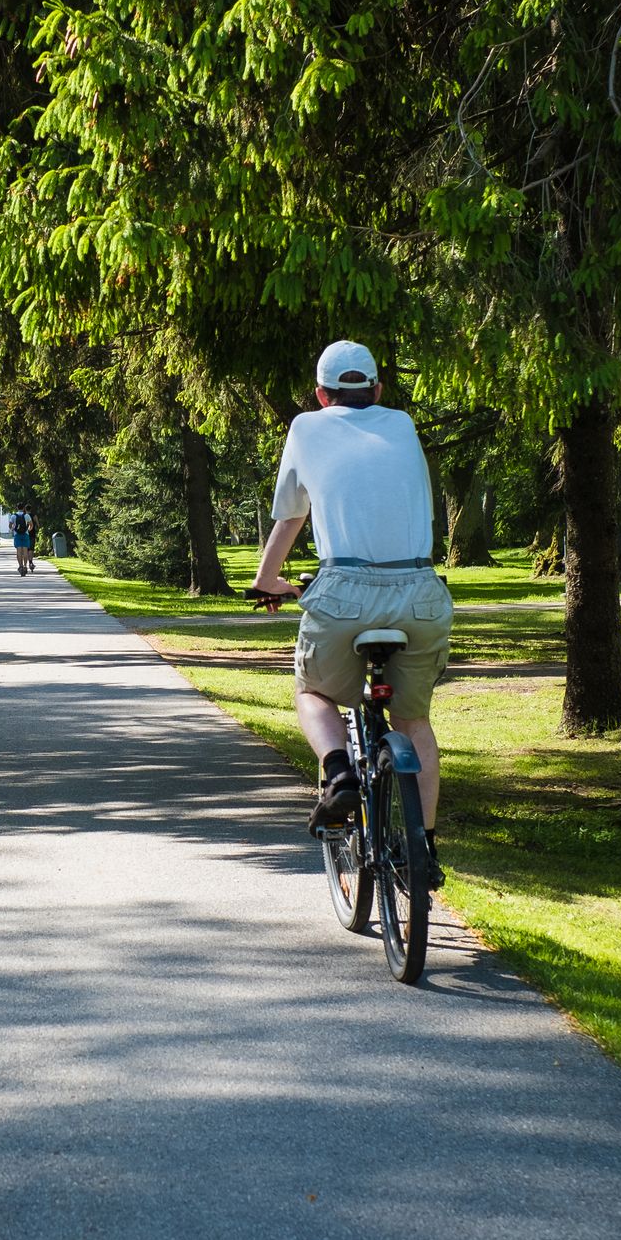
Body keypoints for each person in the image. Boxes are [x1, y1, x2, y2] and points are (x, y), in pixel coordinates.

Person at [250, 339, 454, 886]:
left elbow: (291, 516)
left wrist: (267, 580)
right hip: (420, 589)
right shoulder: (404, 424)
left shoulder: (305, 427)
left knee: (313, 693)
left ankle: (338, 774)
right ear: (378, 390)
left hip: (343, 590)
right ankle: (422, 851)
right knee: (414, 722)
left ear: (321, 394)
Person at [9, 506, 36, 575]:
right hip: (25, 535)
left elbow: (10, 525)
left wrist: (13, 529)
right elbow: (31, 525)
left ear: (17, 508)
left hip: (17, 535)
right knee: (25, 551)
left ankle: (20, 566)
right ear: (23, 508)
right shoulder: (26, 515)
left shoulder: (13, 516)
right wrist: (28, 530)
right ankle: (25, 566)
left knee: (19, 551)